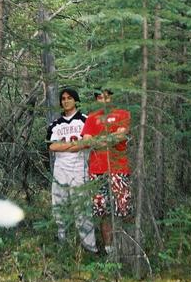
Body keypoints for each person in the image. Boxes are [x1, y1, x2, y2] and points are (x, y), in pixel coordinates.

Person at [46, 87, 98, 253]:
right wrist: (72, 145)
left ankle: (90, 247)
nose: (66, 101)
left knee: (82, 208)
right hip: (60, 168)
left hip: (79, 168)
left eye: (69, 98)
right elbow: (52, 146)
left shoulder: (85, 120)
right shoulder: (55, 124)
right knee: (59, 205)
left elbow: (87, 143)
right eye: (63, 98)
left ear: (75, 100)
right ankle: (64, 245)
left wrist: (66, 146)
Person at [81, 89, 132, 254]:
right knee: (103, 212)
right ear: (97, 99)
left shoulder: (122, 114)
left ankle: (126, 247)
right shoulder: (91, 118)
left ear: (112, 97)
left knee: (123, 209)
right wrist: (108, 139)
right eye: (100, 97)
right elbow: (88, 141)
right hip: (97, 171)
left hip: (118, 169)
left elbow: (120, 136)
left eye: (107, 96)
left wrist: (100, 140)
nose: (104, 99)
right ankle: (109, 250)